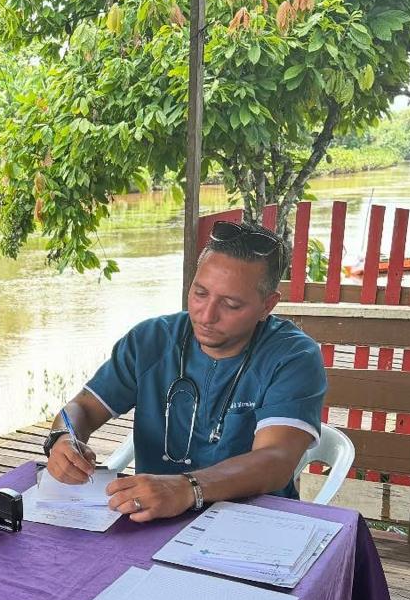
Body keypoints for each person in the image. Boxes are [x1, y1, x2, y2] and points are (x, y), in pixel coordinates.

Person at [45, 221, 327, 519]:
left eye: (231, 304)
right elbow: (83, 407)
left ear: (267, 306)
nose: (206, 315)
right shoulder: (151, 340)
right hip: (152, 515)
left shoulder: (293, 357)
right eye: (200, 293)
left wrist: (187, 488)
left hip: (254, 520)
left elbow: (275, 459)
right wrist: (63, 438)